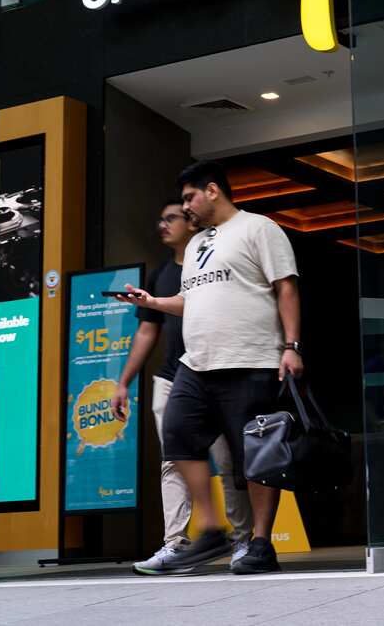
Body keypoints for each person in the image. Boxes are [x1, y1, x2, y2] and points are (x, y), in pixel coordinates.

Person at [116, 160, 303, 575]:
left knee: (254, 457)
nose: (186, 208)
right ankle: (213, 529)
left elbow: (285, 286)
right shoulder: (198, 244)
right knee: (178, 435)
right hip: (196, 363)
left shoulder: (259, 228)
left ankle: (259, 543)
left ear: (213, 190)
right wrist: (152, 303)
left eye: (189, 198)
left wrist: (292, 346)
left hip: (249, 358)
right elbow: (192, 299)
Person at [110, 200, 251, 575]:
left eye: (171, 217)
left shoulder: (214, 264)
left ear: (192, 224)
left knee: (227, 460)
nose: (162, 224)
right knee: (173, 461)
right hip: (172, 378)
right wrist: (123, 383)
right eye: (161, 217)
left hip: (216, 373)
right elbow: (147, 330)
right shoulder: (160, 274)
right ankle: (176, 544)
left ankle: (242, 541)